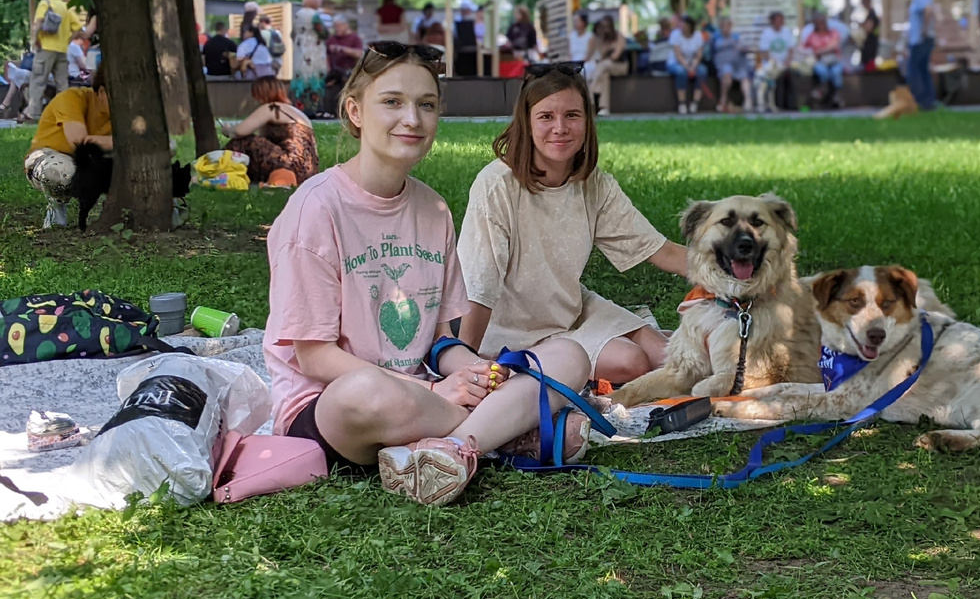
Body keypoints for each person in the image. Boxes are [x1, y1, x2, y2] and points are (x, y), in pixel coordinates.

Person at [262, 42, 591, 505]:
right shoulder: (314, 209)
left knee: (568, 357)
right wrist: (434, 388)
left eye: (427, 104)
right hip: (335, 407)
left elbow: (440, 340)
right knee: (367, 392)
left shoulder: (433, 209)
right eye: (392, 102)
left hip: (428, 396)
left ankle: (453, 449)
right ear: (355, 111)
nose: (412, 119)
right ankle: (503, 433)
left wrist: (473, 372)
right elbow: (315, 358)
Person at [457, 64, 689, 385]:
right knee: (632, 363)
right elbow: (479, 287)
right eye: (546, 116)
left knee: (667, 355)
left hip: (572, 308)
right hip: (513, 329)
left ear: (587, 122)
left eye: (572, 115)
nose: (560, 127)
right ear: (527, 123)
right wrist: (465, 365)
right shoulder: (497, 185)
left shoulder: (593, 185)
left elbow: (659, 250)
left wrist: (730, 277)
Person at [24, 63, 111, 228]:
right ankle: (56, 208)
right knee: (59, 171)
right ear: (101, 92)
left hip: (92, 162)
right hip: (47, 157)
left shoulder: (132, 115)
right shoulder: (72, 98)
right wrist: (123, 142)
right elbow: (79, 143)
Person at [220, 76, 319, 186]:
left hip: (290, 165)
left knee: (245, 141)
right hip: (308, 172)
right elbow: (265, 143)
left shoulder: (271, 107)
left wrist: (227, 129)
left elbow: (241, 131)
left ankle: (216, 169)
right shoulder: (295, 112)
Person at [25, 0, 83, 121]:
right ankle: (65, 114)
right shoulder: (65, 7)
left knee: (38, 81)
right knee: (62, 84)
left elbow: (38, 22)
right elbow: (77, 28)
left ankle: (34, 114)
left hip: (46, 49)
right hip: (62, 51)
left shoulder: (44, 4)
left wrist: (34, 40)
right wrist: (67, 41)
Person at [290, 0, 329, 116]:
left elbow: (292, 34)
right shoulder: (314, 15)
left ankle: (299, 108)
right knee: (314, 78)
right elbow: (323, 33)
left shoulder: (297, 15)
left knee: (301, 79)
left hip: (300, 51)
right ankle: (313, 109)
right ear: (315, 3)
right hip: (313, 51)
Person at [709, 17, 753, 113]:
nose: (726, 28)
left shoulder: (736, 37)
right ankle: (723, 99)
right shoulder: (715, 38)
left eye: (728, 26)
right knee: (727, 72)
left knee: (744, 75)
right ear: (720, 27)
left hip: (738, 63)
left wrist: (744, 49)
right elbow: (711, 53)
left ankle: (748, 101)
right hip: (723, 63)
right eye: (723, 26)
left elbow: (745, 48)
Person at [906, 0, 937, 111]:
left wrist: (924, 30)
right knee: (923, 69)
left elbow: (928, 10)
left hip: (920, 40)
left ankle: (918, 100)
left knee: (914, 70)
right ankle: (927, 102)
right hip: (919, 39)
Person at [758, 11, 800, 110]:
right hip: (772, 65)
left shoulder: (787, 32)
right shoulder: (766, 33)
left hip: (785, 63)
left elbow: (791, 49)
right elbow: (765, 53)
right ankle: (778, 104)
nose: (780, 22)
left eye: (781, 19)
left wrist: (788, 61)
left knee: (792, 74)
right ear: (772, 21)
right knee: (778, 76)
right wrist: (776, 62)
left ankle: (792, 104)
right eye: (777, 19)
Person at [666, 15, 708, 114]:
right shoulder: (676, 35)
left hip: (692, 62)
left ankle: (695, 103)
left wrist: (693, 66)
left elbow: (699, 54)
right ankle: (682, 103)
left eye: (684, 25)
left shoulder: (698, 35)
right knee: (681, 72)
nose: (682, 27)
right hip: (676, 63)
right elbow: (678, 56)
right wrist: (688, 67)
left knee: (702, 71)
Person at [585, 15, 625, 116]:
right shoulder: (601, 40)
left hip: (620, 66)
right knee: (604, 75)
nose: (605, 28)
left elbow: (616, 56)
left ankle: (591, 89)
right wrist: (601, 40)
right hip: (604, 68)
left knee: (604, 65)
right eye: (602, 26)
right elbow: (600, 56)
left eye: (607, 26)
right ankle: (604, 108)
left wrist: (608, 50)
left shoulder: (619, 36)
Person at [803, 12, 845, 108]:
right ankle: (824, 95)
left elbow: (834, 46)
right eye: (818, 22)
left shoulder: (833, 32)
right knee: (822, 72)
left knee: (836, 72)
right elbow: (804, 48)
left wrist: (819, 51)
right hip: (819, 61)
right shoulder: (812, 35)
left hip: (834, 60)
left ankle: (835, 95)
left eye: (822, 22)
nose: (820, 24)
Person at [326, 15, 365, 87]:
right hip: (335, 76)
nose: (337, 29)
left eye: (339, 26)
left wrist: (342, 49)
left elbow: (359, 54)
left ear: (346, 25)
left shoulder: (355, 38)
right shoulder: (331, 39)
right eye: (335, 26)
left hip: (350, 73)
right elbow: (326, 57)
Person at [858, 0, 880, 71]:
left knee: (869, 65)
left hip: (870, 45)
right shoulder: (870, 14)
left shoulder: (872, 14)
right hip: (869, 44)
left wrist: (861, 26)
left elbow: (869, 29)